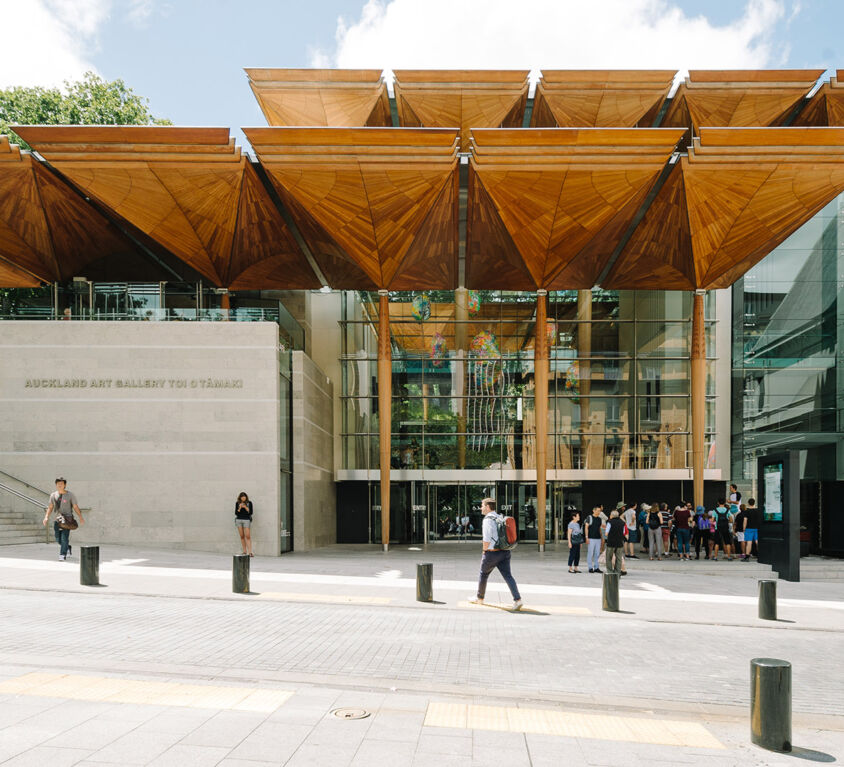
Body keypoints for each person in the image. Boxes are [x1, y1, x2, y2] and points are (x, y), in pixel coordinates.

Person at [470, 498, 523, 610]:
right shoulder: (499, 517)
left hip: (492, 553)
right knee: (508, 576)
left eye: (482, 505)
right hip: (505, 552)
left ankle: (480, 598)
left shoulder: (487, 520)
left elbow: (487, 539)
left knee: (483, 574)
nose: (481, 508)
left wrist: (484, 551)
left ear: (488, 506)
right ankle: (518, 600)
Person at [42, 477, 85, 561]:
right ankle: (67, 547)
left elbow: (75, 507)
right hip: (57, 520)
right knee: (58, 539)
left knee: (64, 538)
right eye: (58, 484)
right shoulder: (53, 495)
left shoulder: (70, 495)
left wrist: (80, 517)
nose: (59, 485)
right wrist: (46, 517)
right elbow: (50, 507)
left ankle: (62, 554)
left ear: (65, 485)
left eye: (61, 484)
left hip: (67, 520)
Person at [605, 509, 627, 575]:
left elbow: (606, 533)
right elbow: (623, 533)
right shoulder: (622, 523)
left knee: (609, 557)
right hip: (619, 542)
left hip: (611, 543)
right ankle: (617, 572)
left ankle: (610, 571)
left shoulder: (610, 522)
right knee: (619, 558)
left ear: (612, 515)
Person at [584, 506, 605, 573]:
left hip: (598, 538)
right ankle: (590, 567)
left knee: (597, 553)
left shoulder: (599, 519)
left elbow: (599, 529)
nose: (599, 512)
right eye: (598, 510)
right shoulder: (589, 517)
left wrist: (602, 537)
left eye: (600, 511)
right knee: (590, 553)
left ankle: (596, 567)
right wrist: (586, 537)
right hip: (591, 538)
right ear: (594, 510)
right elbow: (586, 527)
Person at [234, 491, 254, 556]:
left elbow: (251, 512)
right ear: (240, 497)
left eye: (244, 497)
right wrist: (239, 507)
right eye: (242, 497)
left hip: (246, 520)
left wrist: (245, 507)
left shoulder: (249, 503)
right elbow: (236, 513)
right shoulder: (237, 503)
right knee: (242, 536)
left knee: (247, 536)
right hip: (239, 520)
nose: (243, 498)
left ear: (246, 497)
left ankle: (250, 552)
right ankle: (244, 551)